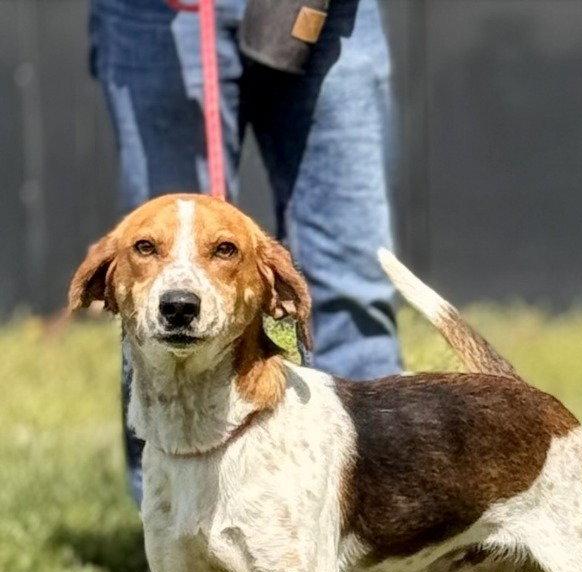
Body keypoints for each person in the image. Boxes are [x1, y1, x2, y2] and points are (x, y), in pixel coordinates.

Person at [89, 0, 401, 510]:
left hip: (328, 10)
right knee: (159, 287)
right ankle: (175, 552)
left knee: (349, 283)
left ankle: (365, 533)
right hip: (157, 17)